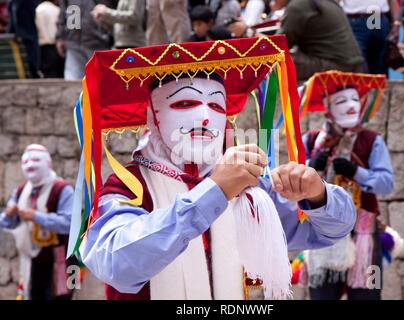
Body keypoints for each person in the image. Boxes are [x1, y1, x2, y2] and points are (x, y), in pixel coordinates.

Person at [69, 35, 356, 300]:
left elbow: (329, 232)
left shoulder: (249, 185)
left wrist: (318, 196)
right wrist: (213, 193)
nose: (206, 117)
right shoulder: (128, 186)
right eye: (185, 103)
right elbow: (118, 264)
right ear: (153, 117)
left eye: (217, 107)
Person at [299, 70, 394, 300]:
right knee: (321, 295)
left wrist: (356, 172)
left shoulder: (371, 140)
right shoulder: (311, 140)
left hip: (366, 235)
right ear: (328, 108)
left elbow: (386, 183)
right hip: (322, 233)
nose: (351, 106)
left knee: (369, 294)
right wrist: (311, 166)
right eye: (341, 101)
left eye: (355, 99)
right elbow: (293, 183)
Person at [0, 144, 76, 300]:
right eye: (25, 161)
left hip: (63, 262)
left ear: (48, 164)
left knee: (64, 297)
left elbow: (70, 224)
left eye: (35, 160)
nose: (30, 165)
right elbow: (6, 224)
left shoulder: (63, 189)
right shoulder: (21, 190)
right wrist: (8, 215)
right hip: (32, 262)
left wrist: (36, 216)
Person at [278, 0, 364, 81]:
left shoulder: (298, 6)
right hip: (354, 66)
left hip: (336, 67)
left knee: (275, 61)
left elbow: (279, 46)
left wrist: (276, 8)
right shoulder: (324, 2)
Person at [55, 0, 116, 80]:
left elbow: (115, 10)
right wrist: (60, 37)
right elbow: (63, 12)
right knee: (73, 82)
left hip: (98, 44)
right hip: (73, 43)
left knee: (99, 81)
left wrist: (112, 37)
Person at [340, 0, 401, 74]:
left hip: (378, 19)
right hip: (355, 20)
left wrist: (396, 23)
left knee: (380, 68)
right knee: (359, 66)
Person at [7, 0, 40, 77]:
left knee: (33, 67)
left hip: (30, 38)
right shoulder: (12, 3)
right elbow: (12, 22)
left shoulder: (29, 2)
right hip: (18, 40)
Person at [35, 0, 64, 78]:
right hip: (58, 46)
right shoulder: (57, 10)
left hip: (45, 47)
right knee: (61, 74)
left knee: (48, 75)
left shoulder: (38, 10)